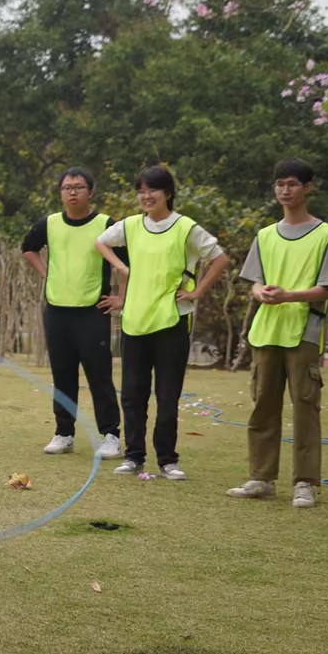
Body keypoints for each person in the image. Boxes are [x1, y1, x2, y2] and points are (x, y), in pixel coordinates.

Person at [96, 166, 231, 480]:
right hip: (135, 321)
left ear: (167, 193)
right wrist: (121, 267)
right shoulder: (130, 226)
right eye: (141, 191)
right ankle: (134, 457)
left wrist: (197, 291)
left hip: (172, 321)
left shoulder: (185, 227)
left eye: (152, 190)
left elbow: (220, 258)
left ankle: (168, 460)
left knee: (167, 395)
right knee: (133, 394)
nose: (146, 196)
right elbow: (100, 242)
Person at [227, 159, 328, 508]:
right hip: (266, 331)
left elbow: (326, 289)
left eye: (292, 184)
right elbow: (254, 283)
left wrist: (288, 295)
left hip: (304, 331)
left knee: (305, 407)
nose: (285, 190)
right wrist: (260, 292)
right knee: (263, 405)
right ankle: (261, 478)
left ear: (308, 187)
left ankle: (305, 483)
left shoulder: (326, 235)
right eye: (280, 184)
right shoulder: (264, 235)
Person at [21, 167, 123, 458]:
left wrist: (121, 297)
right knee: (63, 374)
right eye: (67, 188)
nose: (73, 192)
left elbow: (126, 261)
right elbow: (28, 248)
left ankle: (111, 435)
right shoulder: (50, 223)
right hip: (57, 311)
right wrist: (47, 273)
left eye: (78, 187)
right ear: (61, 193)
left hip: (92, 311)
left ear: (90, 192)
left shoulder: (106, 224)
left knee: (99, 375)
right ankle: (64, 432)